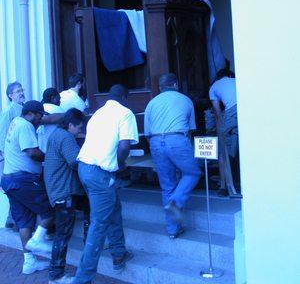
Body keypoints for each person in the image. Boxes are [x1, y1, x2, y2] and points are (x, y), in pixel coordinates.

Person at [73, 84, 138, 284]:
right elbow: (125, 145)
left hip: (84, 169)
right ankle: (82, 279)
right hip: (100, 173)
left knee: (114, 208)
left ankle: (119, 253)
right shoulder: (125, 113)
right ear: (124, 97)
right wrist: (119, 165)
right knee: (99, 224)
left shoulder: (97, 114)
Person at [144, 73, 202, 239]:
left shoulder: (151, 103)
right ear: (175, 84)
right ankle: (176, 201)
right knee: (192, 173)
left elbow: (147, 133)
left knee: (167, 185)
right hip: (177, 139)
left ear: (161, 88)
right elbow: (190, 129)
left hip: (155, 141)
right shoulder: (185, 100)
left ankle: (172, 229)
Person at [1, 101, 54, 274]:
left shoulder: (16, 121)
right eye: (40, 115)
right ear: (31, 113)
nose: (41, 119)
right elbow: (32, 152)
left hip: (10, 179)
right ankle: (38, 240)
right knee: (50, 210)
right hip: (23, 180)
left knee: (24, 222)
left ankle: (29, 262)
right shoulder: (25, 126)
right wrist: (50, 158)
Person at [44, 108, 85, 284]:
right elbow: (75, 162)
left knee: (62, 232)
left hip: (58, 189)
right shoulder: (66, 137)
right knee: (63, 234)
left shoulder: (56, 134)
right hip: (64, 192)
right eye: (79, 128)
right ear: (70, 125)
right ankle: (56, 275)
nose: (80, 131)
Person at [209, 68, 239, 196]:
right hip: (246, 108)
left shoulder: (213, 87)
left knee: (223, 152)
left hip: (231, 111)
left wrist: (221, 131)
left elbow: (218, 113)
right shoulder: (237, 80)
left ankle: (223, 187)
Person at [0, 81, 25, 229]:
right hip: (12, 156)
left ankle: (13, 219)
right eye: (17, 91)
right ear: (10, 95)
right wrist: (4, 154)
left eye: (21, 90)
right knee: (16, 186)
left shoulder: (24, 108)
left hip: (22, 153)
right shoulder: (9, 111)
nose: (21, 93)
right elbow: (3, 133)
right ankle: (15, 220)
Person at [38, 88, 64, 154]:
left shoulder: (38, 110)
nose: (60, 101)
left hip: (40, 151)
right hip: (54, 152)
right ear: (53, 98)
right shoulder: (57, 109)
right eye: (59, 99)